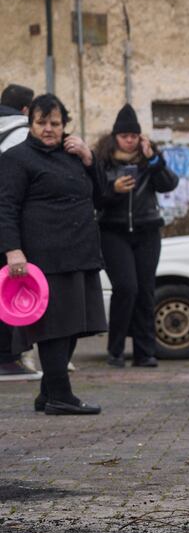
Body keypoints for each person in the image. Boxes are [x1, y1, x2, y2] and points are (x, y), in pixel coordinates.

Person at [0, 94, 107, 414]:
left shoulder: (74, 155)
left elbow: (102, 196)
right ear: (30, 123)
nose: (48, 129)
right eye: (42, 123)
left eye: (55, 123)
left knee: (74, 324)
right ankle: (61, 394)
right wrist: (12, 250)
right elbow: (5, 207)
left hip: (81, 252)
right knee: (54, 327)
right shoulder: (17, 158)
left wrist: (90, 159)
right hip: (43, 258)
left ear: (64, 125)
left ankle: (48, 393)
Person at [92, 104, 179, 368]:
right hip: (113, 231)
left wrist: (153, 159)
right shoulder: (103, 161)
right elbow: (94, 195)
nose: (129, 140)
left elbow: (169, 184)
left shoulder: (148, 161)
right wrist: (113, 188)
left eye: (133, 136)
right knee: (126, 288)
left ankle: (145, 352)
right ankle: (116, 350)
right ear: (115, 137)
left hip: (147, 230)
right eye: (124, 136)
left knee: (145, 291)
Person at [0, 83, 38, 382]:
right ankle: (8, 357)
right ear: (27, 110)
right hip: (12, 219)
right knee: (10, 288)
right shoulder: (23, 134)